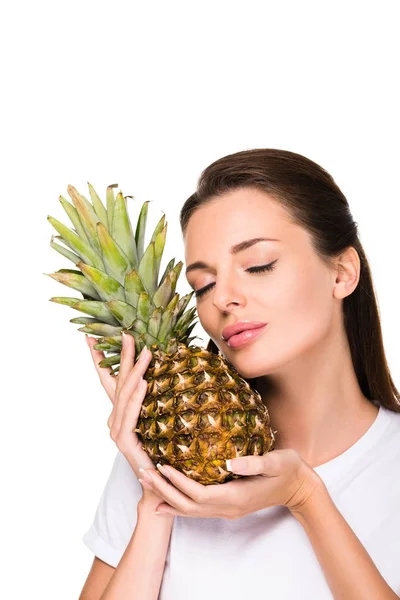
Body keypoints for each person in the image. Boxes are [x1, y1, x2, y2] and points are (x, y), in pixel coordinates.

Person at [79, 148, 400, 600]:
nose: (222, 298)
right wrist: (156, 496)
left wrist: (305, 497)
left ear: (342, 273)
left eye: (258, 265)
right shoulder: (156, 459)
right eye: (202, 284)